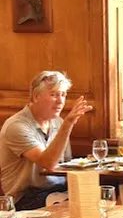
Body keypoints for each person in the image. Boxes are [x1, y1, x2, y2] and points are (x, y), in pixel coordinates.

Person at [0, 71, 92, 209]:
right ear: (36, 96)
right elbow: (48, 162)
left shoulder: (58, 122)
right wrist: (69, 124)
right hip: (26, 197)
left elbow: (67, 163)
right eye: (54, 95)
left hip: (58, 189)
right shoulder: (16, 126)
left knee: (102, 192)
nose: (60, 101)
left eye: (63, 95)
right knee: (81, 204)